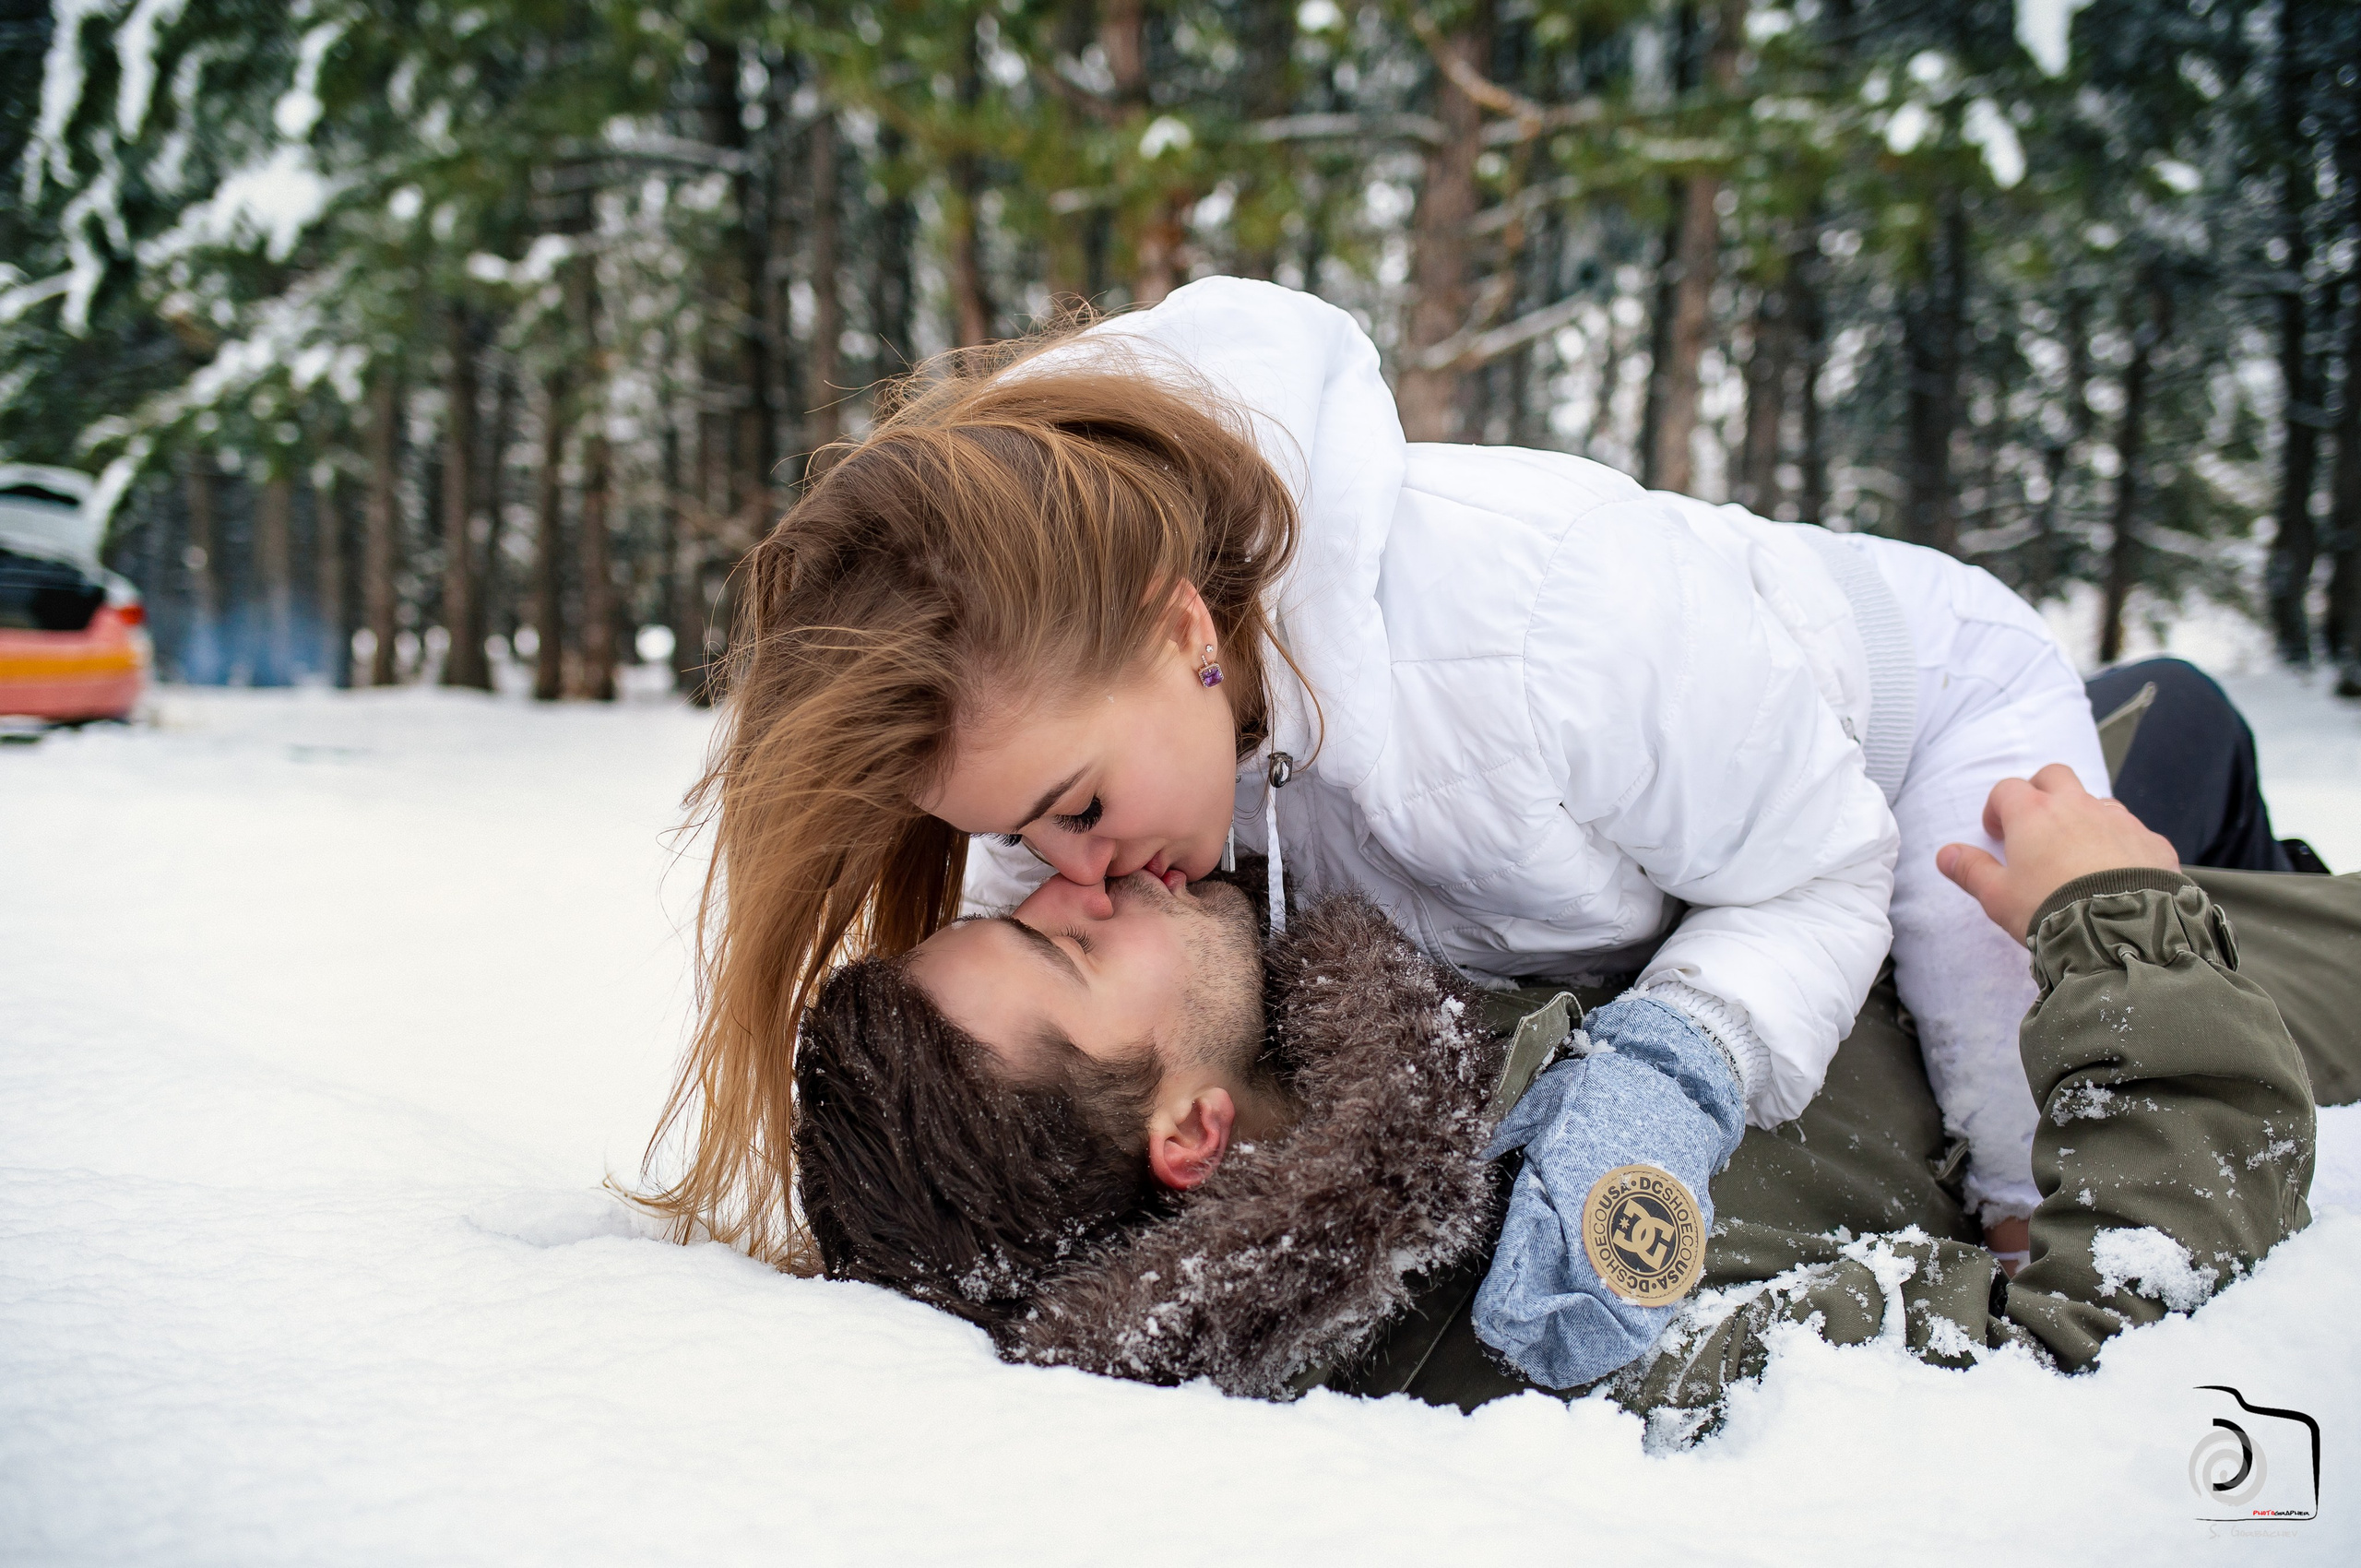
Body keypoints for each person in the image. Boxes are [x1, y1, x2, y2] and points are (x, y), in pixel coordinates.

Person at [654, 277, 2110, 1386]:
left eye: (1078, 813)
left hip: (1915, 731)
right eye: (1016, 839)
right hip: (1665, 825)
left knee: (2014, 1151)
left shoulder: (1540, 632)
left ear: (1182, 631)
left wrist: (1679, 1063)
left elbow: (1818, 867)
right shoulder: (1075, 783)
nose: (1065, 875)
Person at [793, 766, 2354, 1418]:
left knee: (2175, 710)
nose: (1074, 881)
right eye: (1062, 951)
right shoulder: (1567, 1322)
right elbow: (2094, 1333)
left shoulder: (1339, 1026)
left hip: (1937, 876)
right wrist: (2120, 933)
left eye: (1008, 908)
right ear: (1191, 1137)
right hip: (2149, 1000)